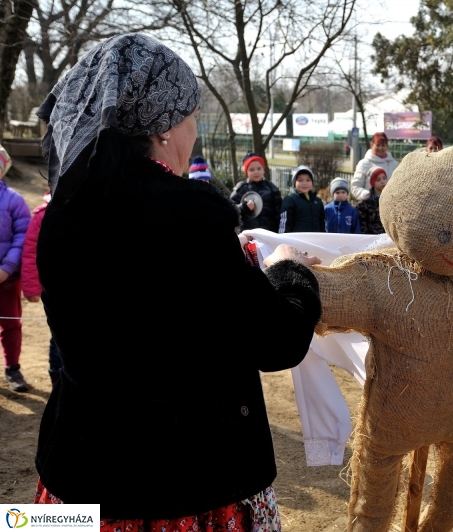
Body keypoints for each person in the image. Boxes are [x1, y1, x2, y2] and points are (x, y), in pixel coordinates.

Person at [33, 33, 322, 529]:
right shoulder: (191, 217)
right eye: (192, 117)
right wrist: (290, 272)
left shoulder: (64, 211)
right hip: (185, 481)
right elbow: (276, 340)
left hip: (78, 476)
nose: (194, 133)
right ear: (165, 126)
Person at [21, 191, 62, 387]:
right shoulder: (43, 214)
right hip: (56, 289)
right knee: (58, 336)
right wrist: (31, 287)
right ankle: (57, 379)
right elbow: (31, 250)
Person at [0, 143, 32, 393]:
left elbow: (22, 236)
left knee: (10, 323)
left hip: (7, 278)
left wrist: (7, 267)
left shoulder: (14, 200)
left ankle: (12, 367)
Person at [230, 152, 283, 232]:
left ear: (263, 170)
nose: (256, 172)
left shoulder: (272, 189)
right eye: (252, 170)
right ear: (246, 172)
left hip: (269, 232)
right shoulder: (241, 189)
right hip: (248, 233)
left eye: (259, 168)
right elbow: (230, 209)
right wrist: (243, 207)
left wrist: (279, 232)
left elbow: (279, 213)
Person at [351, 132, 398, 201]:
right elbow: (355, 187)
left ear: (387, 146)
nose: (380, 148)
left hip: (390, 204)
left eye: (383, 145)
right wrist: (369, 196)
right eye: (378, 145)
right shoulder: (364, 164)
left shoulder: (394, 164)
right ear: (372, 145)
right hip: (369, 205)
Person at [279, 165, 325, 233]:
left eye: (308, 180)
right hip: (296, 239)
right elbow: (285, 224)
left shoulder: (318, 201)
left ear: (312, 182)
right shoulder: (290, 200)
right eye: (300, 180)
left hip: (315, 238)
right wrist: (282, 238)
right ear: (294, 183)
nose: (304, 183)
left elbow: (322, 223)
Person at [357, 166, 387, 235]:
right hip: (371, 238)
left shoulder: (391, 199)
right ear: (373, 183)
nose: (382, 181)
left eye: (384, 178)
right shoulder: (364, 203)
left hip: (388, 238)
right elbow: (362, 226)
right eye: (378, 180)